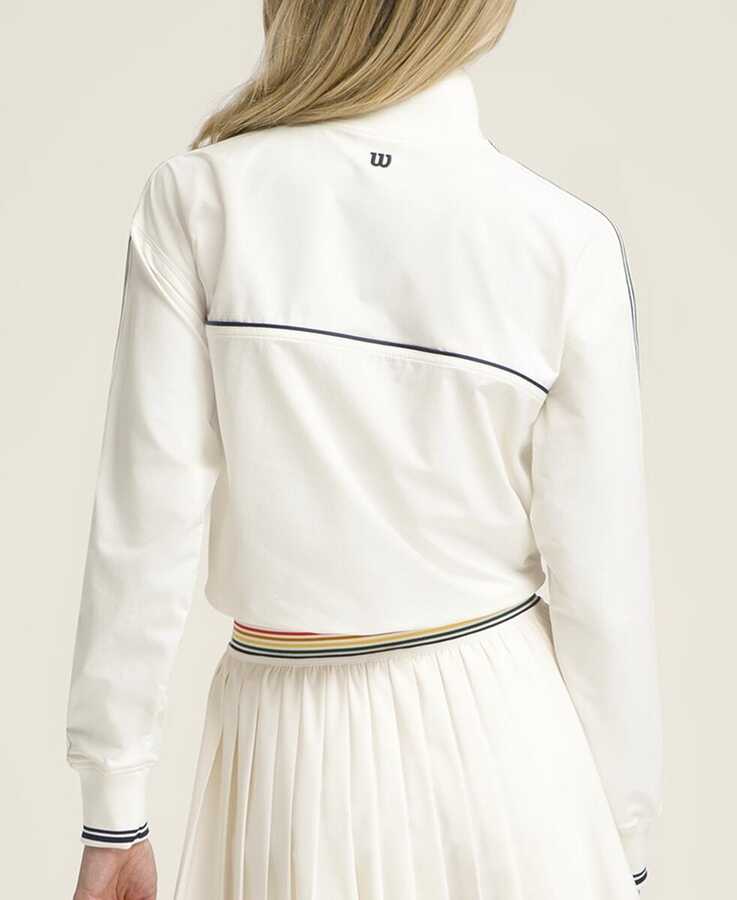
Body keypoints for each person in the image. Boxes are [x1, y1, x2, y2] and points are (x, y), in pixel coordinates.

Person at [67, 1, 663, 898]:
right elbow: (601, 596)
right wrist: (624, 847)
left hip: (285, 757)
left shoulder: (201, 199)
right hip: (512, 751)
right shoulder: (565, 243)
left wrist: (113, 811)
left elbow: (143, 530)